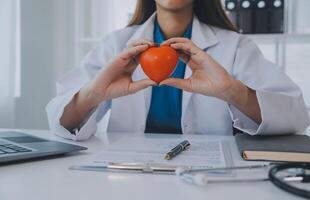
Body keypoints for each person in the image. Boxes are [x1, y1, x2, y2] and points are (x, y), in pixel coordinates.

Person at [46, 0, 309, 141]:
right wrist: (94, 94)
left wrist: (232, 91)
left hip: (207, 177)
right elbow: (60, 123)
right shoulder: (115, 44)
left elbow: (296, 115)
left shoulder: (236, 46)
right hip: (128, 174)